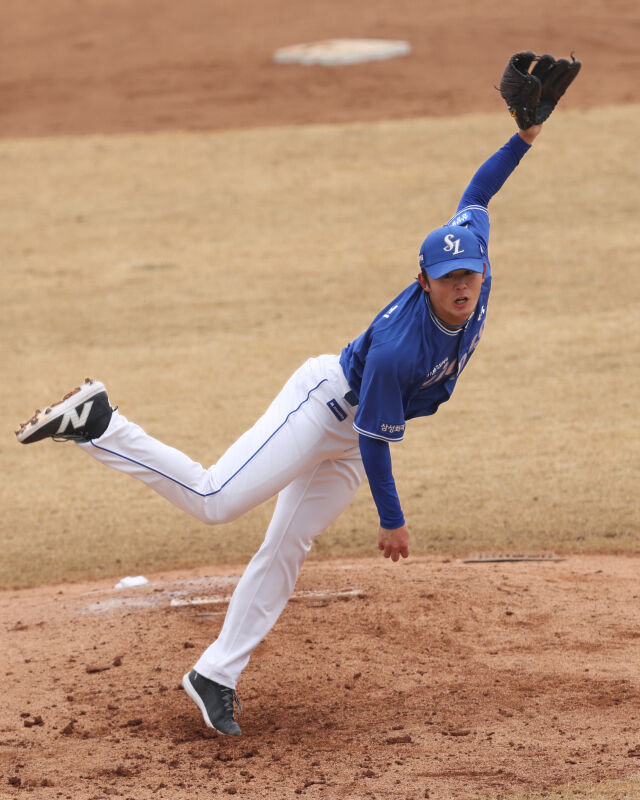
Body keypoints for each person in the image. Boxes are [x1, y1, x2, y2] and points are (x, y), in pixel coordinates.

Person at [16, 119, 543, 737]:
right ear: (422, 279)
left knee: (286, 546)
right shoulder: (400, 349)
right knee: (215, 500)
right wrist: (392, 519)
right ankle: (101, 422)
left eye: (470, 276)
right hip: (324, 408)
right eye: (448, 278)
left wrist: (525, 138)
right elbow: (373, 440)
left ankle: (215, 674)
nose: (462, 286)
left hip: (352, 430)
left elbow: (478, 195)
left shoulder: (475, 272)